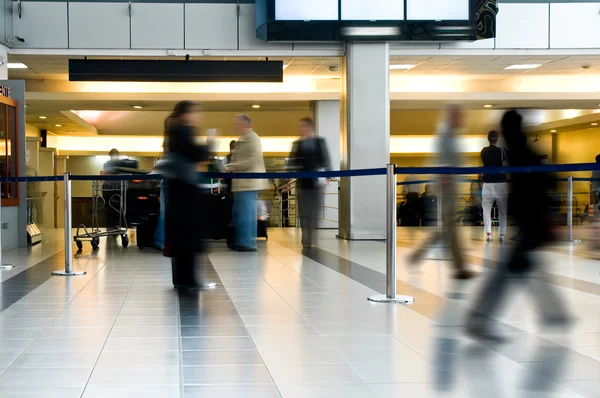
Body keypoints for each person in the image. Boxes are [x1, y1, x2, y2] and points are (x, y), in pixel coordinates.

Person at [467, 110, 569, 341]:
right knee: (515, 270)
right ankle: (480, 318)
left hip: (527, 218)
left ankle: (552, 312)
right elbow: (545, 181)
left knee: (518, 269)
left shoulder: (510, 150)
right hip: (531, 219)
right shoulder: (520, 150)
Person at [409, 105, 476, 280]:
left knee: (447, 227)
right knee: (449, 226)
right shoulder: (446, 135)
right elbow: (442, 160)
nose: (462, 120)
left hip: (451, 185)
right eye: (459, 116)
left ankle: (418, 256)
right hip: (447, 186)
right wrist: (445, 179)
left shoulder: (451, 135)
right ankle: (459, 267)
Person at [163, 101, 211, 287]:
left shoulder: (173, 131)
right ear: (185, 114)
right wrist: (209, 144)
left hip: (177, 190)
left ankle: (182, 279)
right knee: (188, 236)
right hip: (185, 191)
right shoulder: (183, 131)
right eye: (194, 112)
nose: (197, 116)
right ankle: (189, 279)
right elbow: (196, 154)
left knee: (181, 237)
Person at [227, 114, 268, 252]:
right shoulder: (244, 138)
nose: (235, 126)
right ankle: (241, 240)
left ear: (244, 124)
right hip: (242, 183)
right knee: (241, 213)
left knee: (246, 213)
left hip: (249, 183)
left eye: (236, 123)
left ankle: (247, 242)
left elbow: (253, 159)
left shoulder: (252, 138)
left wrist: (234, 166)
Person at [288, 117, 331, 249]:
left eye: (303, 126)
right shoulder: (297, 144)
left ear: (310, 127)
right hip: (303, 182)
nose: (301, 129)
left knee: (315, 210)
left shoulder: (319, 142)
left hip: (317, 183)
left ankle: (310, 235)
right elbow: (292, 162)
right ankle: (306, 235)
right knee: (303, 211)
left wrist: (327, 175)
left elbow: (325, 158)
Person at [480, 130, 508, 243]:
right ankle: (502, 234)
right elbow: (506, 164)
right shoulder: (502, 151)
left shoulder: (484, 151)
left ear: (488, 138)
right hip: (501, 182)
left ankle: (489, 234)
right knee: (503, 210)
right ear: (497, 139)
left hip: (488, 183)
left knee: (486, 210)